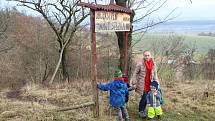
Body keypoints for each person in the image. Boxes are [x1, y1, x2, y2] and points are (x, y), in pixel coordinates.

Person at [130, 50, 159, 118]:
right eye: (145, 55)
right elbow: (135, 73)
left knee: (147, 98)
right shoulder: (140, 64)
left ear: (150, 56)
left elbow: (155, 74)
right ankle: (141, 111)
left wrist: (157, 82)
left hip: (151, 84)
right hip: (142, 84)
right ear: (143, 56)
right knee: (144, 98)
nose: (147, 57)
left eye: (148, 55)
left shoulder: (153, 64)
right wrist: (133, 82)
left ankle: (143, 110)